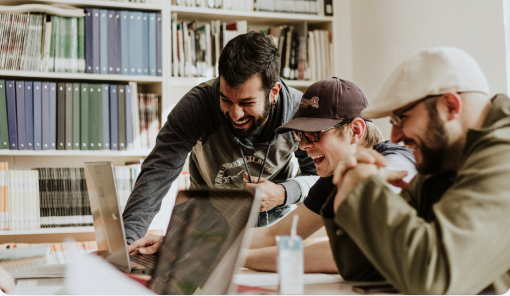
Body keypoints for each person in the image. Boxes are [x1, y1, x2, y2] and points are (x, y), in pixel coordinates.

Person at [324, 47, 510, 294]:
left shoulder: (503, 155)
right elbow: (366, 269)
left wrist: (364, 189)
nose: (394, 136)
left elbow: (433, 278)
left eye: (401, 118)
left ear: (450, 106)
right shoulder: (442, 162)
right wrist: (349, 188)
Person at [123, 31, 318, 247]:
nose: (235, 114)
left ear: (273, 92)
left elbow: (319, 178)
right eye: (226, 100)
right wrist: (127, 244)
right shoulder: (197, 106)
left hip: (273, 233)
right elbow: (157, 174)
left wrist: (283, 193)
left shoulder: (299, 112)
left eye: (246, 103)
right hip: (208, 229)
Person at [243, 77, 416, 273]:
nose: (302, 146)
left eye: (314, 134)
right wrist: (214, 243)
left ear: (355, 130)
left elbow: (350, 251)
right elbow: (276, 235)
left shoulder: (396, 164)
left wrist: (238, 259)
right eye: (300, 135)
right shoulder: (334, 178)